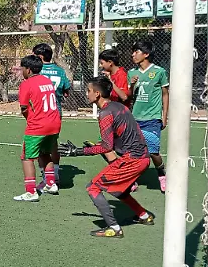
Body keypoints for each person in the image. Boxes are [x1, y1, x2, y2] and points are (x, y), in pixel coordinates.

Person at [59, 77, 155, 238]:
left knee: (93, 188)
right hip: (142, 158)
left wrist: (77, 151)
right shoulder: (119, 106)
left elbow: (106, 147)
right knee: (119, 191)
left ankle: (114, 228)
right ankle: (144, 216)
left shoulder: (105, 113)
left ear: (97, 94)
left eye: (89, 90)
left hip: (133, 160)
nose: (87, 93)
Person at [14, 55, 61, 202]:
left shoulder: (26, 84)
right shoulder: (46, 81)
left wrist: (30, 120)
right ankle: (51, 183)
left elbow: (23, 108)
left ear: (28, 69)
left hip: (38, 126)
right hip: (54, 123)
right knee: (45, 153)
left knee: (27, 157)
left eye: (22, 68)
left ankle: (31, 192)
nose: (21, 71)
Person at [128, 40, 169, 193]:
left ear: (146, 54)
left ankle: (161, 174)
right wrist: (132, 85)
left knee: (153, 151)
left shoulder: (159, 72)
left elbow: (165, 95)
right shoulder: (132, 73)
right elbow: (129, 97)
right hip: (136, 118)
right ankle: (132, 179)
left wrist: (164, 117)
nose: (133, 55)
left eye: (136, 52)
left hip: (153, 118)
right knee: (133, 150)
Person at [32, 43, 71, 187]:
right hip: (56, 113)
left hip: (40, 114)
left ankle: (46, 177)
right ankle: (55, 173)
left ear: (40, 57)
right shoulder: (60, 71)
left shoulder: (37, 72)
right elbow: (67, 91)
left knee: (38, 147)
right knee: (53, 144)